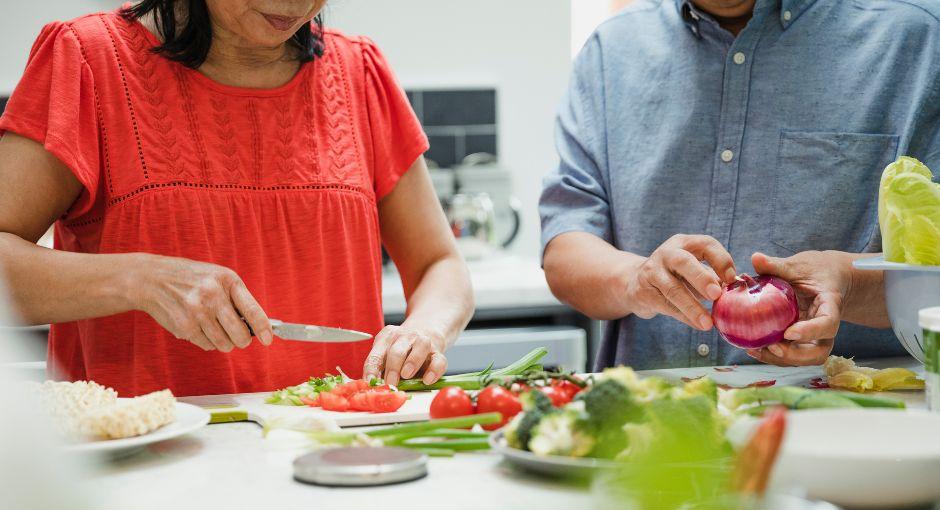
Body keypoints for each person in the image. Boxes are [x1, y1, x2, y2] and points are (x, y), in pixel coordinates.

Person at [0, 0, 473, 396]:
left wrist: (425, 330)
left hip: (335, 454)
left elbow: (439, 264)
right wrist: (141, 280)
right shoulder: (88, 59)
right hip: (146, 469)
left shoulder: (358, 73)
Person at [539, 0, 939, 370]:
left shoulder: (917, 39)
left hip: (853, 422)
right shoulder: (612, 50)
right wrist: (636, 279)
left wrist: (850, 284)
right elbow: (566, 247)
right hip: (655, 423)